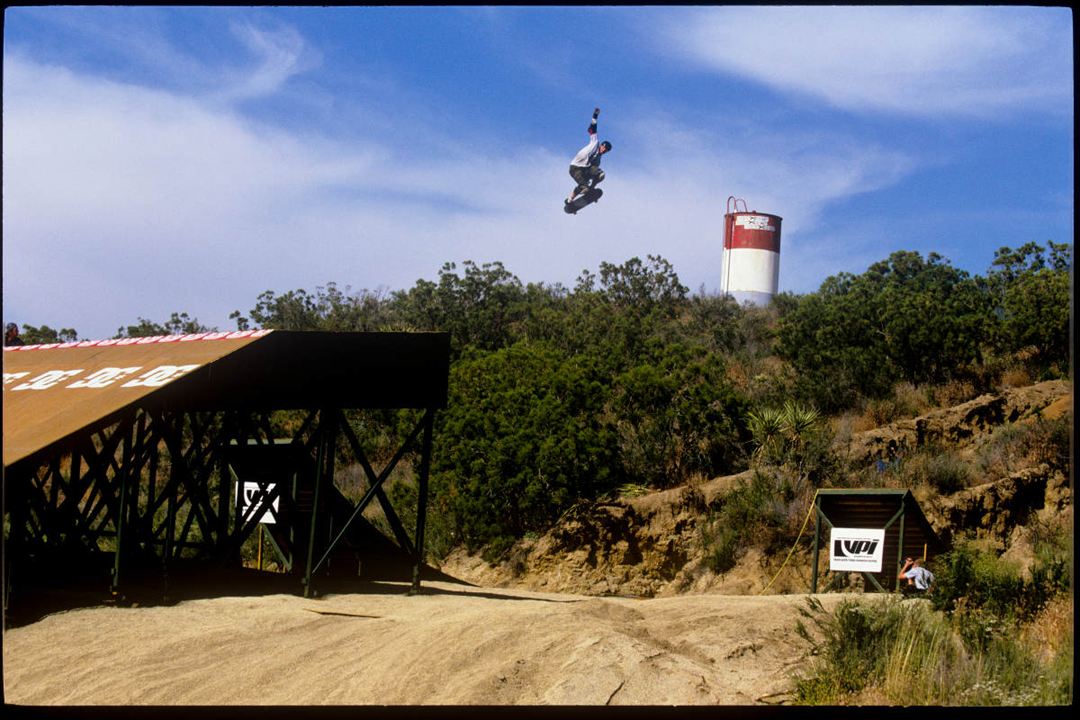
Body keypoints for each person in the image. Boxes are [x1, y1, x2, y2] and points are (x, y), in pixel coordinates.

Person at [566, 107, 612, 204]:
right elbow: (592, 129)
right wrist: (595, 115)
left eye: (606, 151)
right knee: (584, 186)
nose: (604, 151)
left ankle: (589, 190)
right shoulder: (595, 143)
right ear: (602, 145)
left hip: (585, 169)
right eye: (604, 148)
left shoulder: (598, 160)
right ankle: (569, 200)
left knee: (600, 175)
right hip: (575, 168)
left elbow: (594, 174)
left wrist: (592, 190)